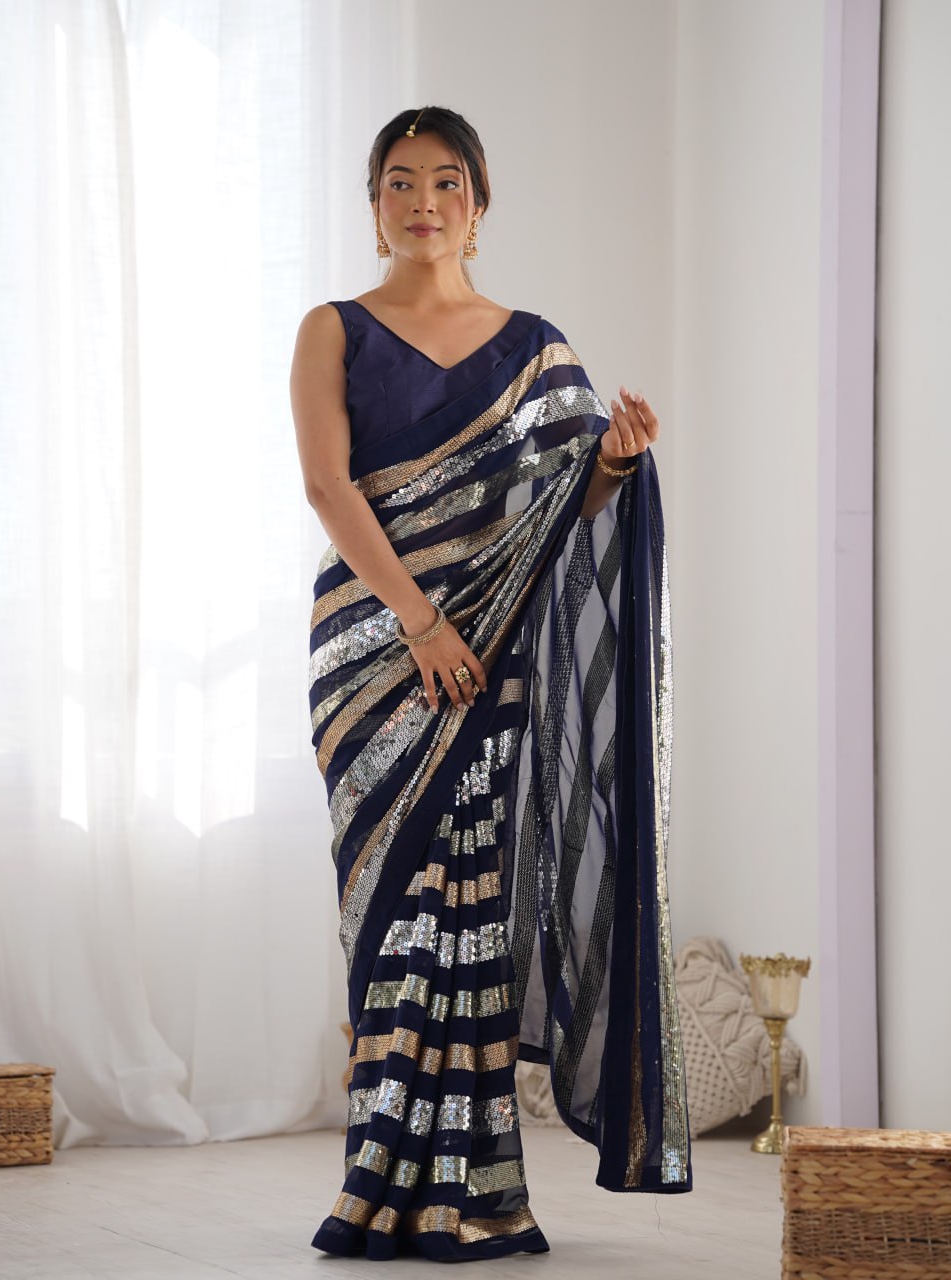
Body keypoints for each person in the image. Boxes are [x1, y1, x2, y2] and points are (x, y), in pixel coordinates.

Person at [289, 105, 691, 1264]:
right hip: (372, 658)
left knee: (469, 907)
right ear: (374, 204)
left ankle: (471, 1189)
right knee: (390, 909)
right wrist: (417, 622)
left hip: (482, 660)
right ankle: (379, 1183)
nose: (423, 201)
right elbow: (328, 487)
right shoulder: (333, 330)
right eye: (400, 181)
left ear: (478, 205)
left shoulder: (535, 349)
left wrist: (612, 460)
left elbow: (564, 509)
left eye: (446, 181)